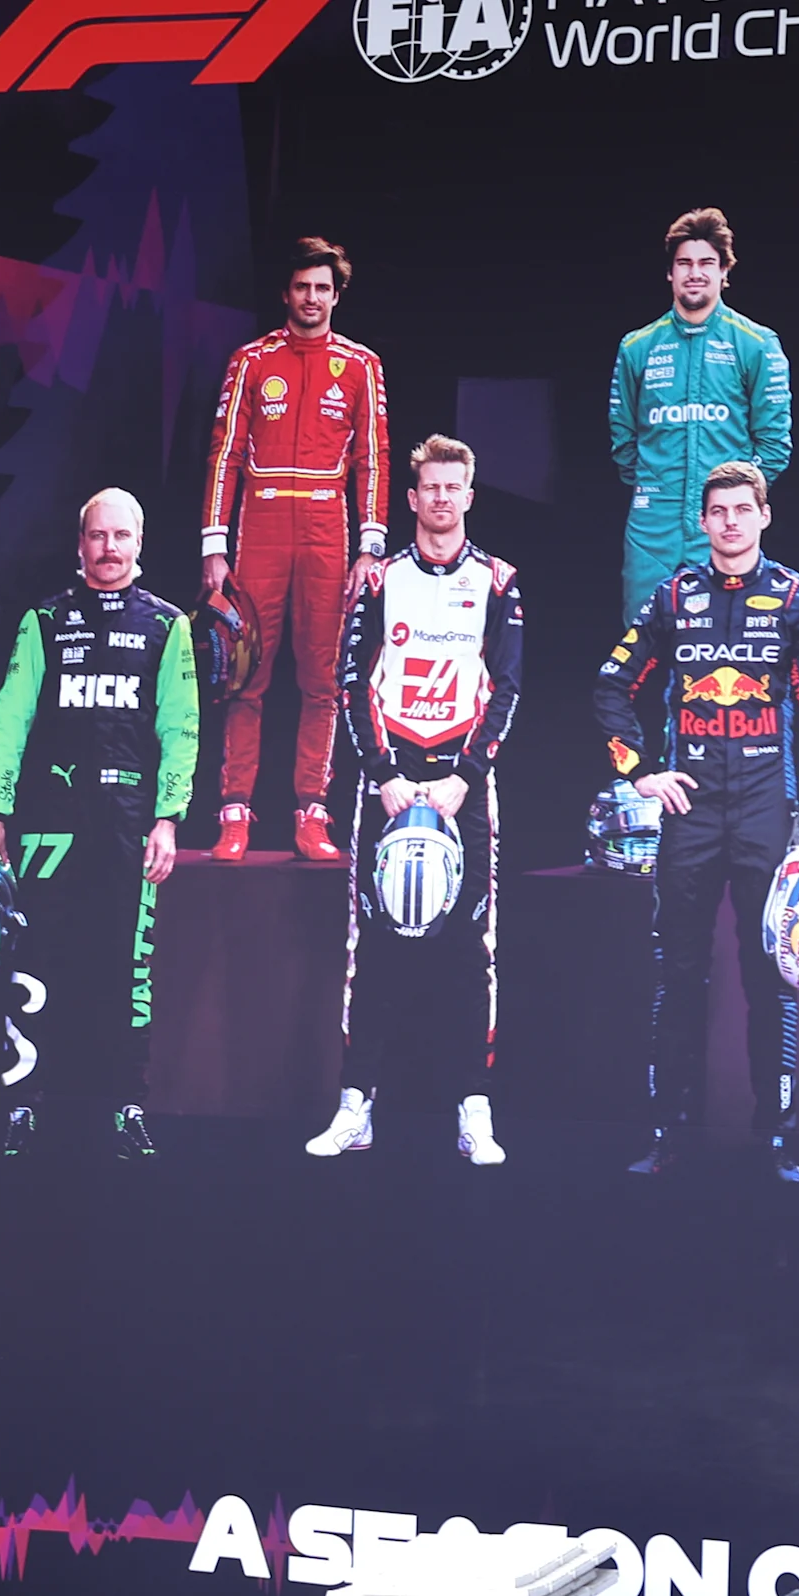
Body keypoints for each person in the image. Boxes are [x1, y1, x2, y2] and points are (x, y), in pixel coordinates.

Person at [593, 460, 799, 1183]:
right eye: (718, 511)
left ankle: (775, 1137)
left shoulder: (796, 597)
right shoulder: (674, 596)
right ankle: (671, 1131)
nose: (730, 521)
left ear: (764, 516)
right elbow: (611, 686)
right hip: (690, 811)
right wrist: (639, 770)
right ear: (702, 522)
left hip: (766, 807)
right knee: (680, 973)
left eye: (743, 509)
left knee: (771, 976)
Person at [306, 436, 524, 1168]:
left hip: (464, 785)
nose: (439, 498)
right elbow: (349, 682)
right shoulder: (380, 579)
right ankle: (355, 1104)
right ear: (412, 498)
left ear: (468, 495)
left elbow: (509, 688)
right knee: (372, 948)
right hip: (390, 783)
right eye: (428, 488)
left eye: (451, 487)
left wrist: (464, 777)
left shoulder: (499, 581)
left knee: (471, 952)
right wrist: (382, 774)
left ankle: (475, 1110)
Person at [0, 489, 197, 1161]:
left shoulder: (166, 625)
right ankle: (23, 1108)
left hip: (129, 824)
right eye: (98, 536)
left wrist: (168, 818)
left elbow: (180, 727)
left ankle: (127, 1106)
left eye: (122, 536)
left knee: (129, 968)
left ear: (140, 543)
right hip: (49, 823)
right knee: (33, 964)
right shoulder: (43, 621)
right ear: (80, 543)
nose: (110, 548)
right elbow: (10, 720)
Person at [201, 236, 388, 865]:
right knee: (244, 677)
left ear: (337, 295)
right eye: (303, 287)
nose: (312, 298)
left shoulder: (360, 365)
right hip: (261, 530)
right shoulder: (252, 360)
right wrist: (214, 544)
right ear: (287, 293)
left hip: (326, 533)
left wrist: (369, 545)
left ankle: (312, 811)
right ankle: (233, 813)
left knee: (324, 682)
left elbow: (373, 459)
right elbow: (225, 454)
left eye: (323, 289)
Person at [610, 208, 794, 618]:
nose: (695, 273)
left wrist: (736, 508)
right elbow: (624, 445)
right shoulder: (637, 347)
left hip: (724, 531)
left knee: (726, 654)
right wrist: (657, 492)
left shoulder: (757, 343)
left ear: (725, 272)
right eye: (685, 264)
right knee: (642, 657)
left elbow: (774, 447)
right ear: (670, 274)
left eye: (707, 263)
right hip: (650, 532)